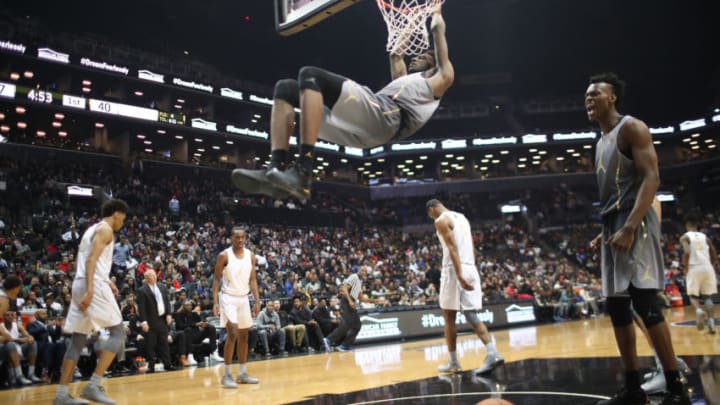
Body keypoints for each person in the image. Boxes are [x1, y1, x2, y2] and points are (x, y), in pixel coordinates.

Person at [232, 5, 454, 199]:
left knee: (310, 75)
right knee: (285, 89)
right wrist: (414, 20)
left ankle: (303, 170)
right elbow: (396, 54)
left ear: (434, 62)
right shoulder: (405, 81)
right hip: (369, 128)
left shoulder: (441, 79)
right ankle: (276, 169)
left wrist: (435, 12)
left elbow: (437, 31)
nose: (417, 56)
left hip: (387, 117)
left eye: (424, 55)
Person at [586, 73, 689, 404]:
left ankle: (675, 388)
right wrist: (604, 230)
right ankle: (632, 388)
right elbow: (613, 194)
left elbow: (651, 178)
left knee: (645, 303)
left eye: (595, 94)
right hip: (613, 224)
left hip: (636, 222)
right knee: (617, 307)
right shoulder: (600, 141)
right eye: (586, 96)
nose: (588, 99)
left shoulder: (632, 128)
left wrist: (629, 226)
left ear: (612, 98)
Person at [53, 198, 129, 405]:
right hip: (91, 284)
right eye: (123, 218)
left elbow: (81, 260)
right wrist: (92, 288)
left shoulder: (91, 229)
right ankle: (93, 386)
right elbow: (90, 260)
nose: (123, 222)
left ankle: (61, 395)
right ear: (116, 214)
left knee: (78, 340)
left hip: (80, 282)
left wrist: (103, 281)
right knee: (118, 332)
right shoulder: (106, 230)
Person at [425, 199, 504, 375]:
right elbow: (471, 246)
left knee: (448, 317)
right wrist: (468, 271)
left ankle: (454, 363)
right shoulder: (462, 218)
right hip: (470, 265)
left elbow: (452, 248)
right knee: (471, 314)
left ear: (432, 210)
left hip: (454, 270)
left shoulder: (441, 220)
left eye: (430, 215)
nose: (432, 219)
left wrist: (459, 275)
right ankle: (492, 352)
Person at [212, 227, 261, 387]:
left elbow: (253, 279)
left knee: (244, 335)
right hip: (228, 297)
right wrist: (215, 302)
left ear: (245, 238)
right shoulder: (224, 256)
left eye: (242, 237)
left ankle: (242, 373)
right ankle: (226, 375)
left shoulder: (251, 256)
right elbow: (216, 280)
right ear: (231, 238)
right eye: (236, 237)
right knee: (232, 332)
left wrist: (257, 300)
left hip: (243, 298)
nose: (240, 240)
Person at [680, 213, 719, 334]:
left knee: (693, 296)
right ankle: (711, 323)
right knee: (708, 297)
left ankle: (698, 310)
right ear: (697, 225)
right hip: (707, 267)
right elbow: (713, 251)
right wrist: (715, 264)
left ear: (686, 225)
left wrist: (685, 266)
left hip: (694, 267)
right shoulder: (705, 236)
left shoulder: (684, 237)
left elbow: (687, 251)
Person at [322, 268, 376, 352]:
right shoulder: (354, 277)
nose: (363, 272)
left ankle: (344, 346)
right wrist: (350, 301)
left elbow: (361, 298)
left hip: (351, 302)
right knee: (346, 324)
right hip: (346, 301)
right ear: (358, 271)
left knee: (357, 325)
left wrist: (374, 301)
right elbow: (344, 288)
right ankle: (328, 340)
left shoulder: (360, 281)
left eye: (365, 271)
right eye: (362, 270)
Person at [137, 269, 176, 372]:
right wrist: (144, 322)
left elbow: (166, 302)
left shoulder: (162, 287)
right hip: (150, 321)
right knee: (150, 344)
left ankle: (168, 364)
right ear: (146, 278)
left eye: (154, 275)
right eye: (151, 276)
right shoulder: (142, 290)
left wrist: (168, 314)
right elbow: (142, 308)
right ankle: (151, 366)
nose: (153, 277)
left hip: (162, 319)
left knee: (164, 344)